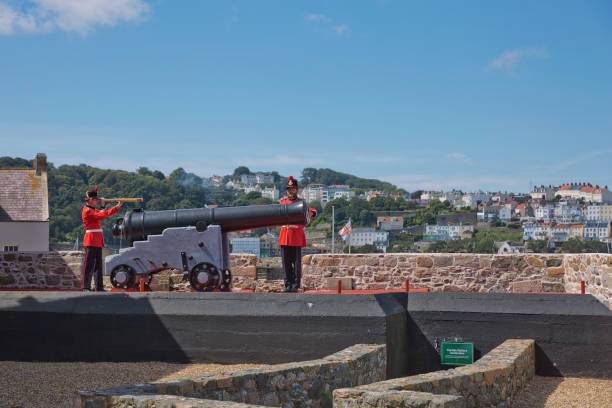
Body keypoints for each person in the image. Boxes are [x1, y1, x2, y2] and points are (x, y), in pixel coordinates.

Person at [278, 176, 317, 292]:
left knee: (296, 264)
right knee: (286, 263)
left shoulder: (301, 203)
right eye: (289, 189)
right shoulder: (282, 202)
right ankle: (287, 284)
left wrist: (311, 214)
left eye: (293, 189)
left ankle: (295, 285)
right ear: (287, 190)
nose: (291, 191)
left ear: (297, 190)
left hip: (296, 237)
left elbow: (314, 211)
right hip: (285, 236)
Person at [81, 187, 123, 291]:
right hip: (91, 240)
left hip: (97, 240)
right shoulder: (87, 211)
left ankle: (99, 287)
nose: (96, 201)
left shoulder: (93, 210)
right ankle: (86, 286)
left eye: (97, 199)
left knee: (98, 265)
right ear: (89, 200)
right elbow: (101, 215)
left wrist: (117, 206)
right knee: (89, 265)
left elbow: (106, 213)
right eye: (95, 199)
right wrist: (103, 206)